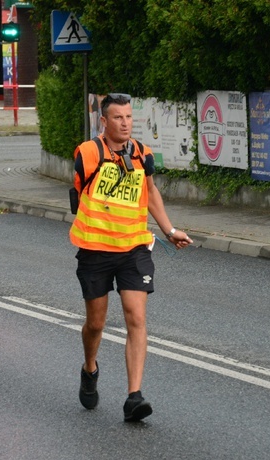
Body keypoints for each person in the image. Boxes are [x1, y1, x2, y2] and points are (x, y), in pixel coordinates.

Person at [70, 93, 193, 422]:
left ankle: (134, 397)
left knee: (135, 317)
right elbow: (79, 191)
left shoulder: (142, 154)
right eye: (118, 118)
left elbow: (150, 192)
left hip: (134, 248)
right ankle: (89, 368)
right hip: (95, 249)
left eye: (129, 117)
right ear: (104, 121)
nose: (125, 123)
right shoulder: (88, 153)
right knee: (95, 324)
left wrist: (169, 230)